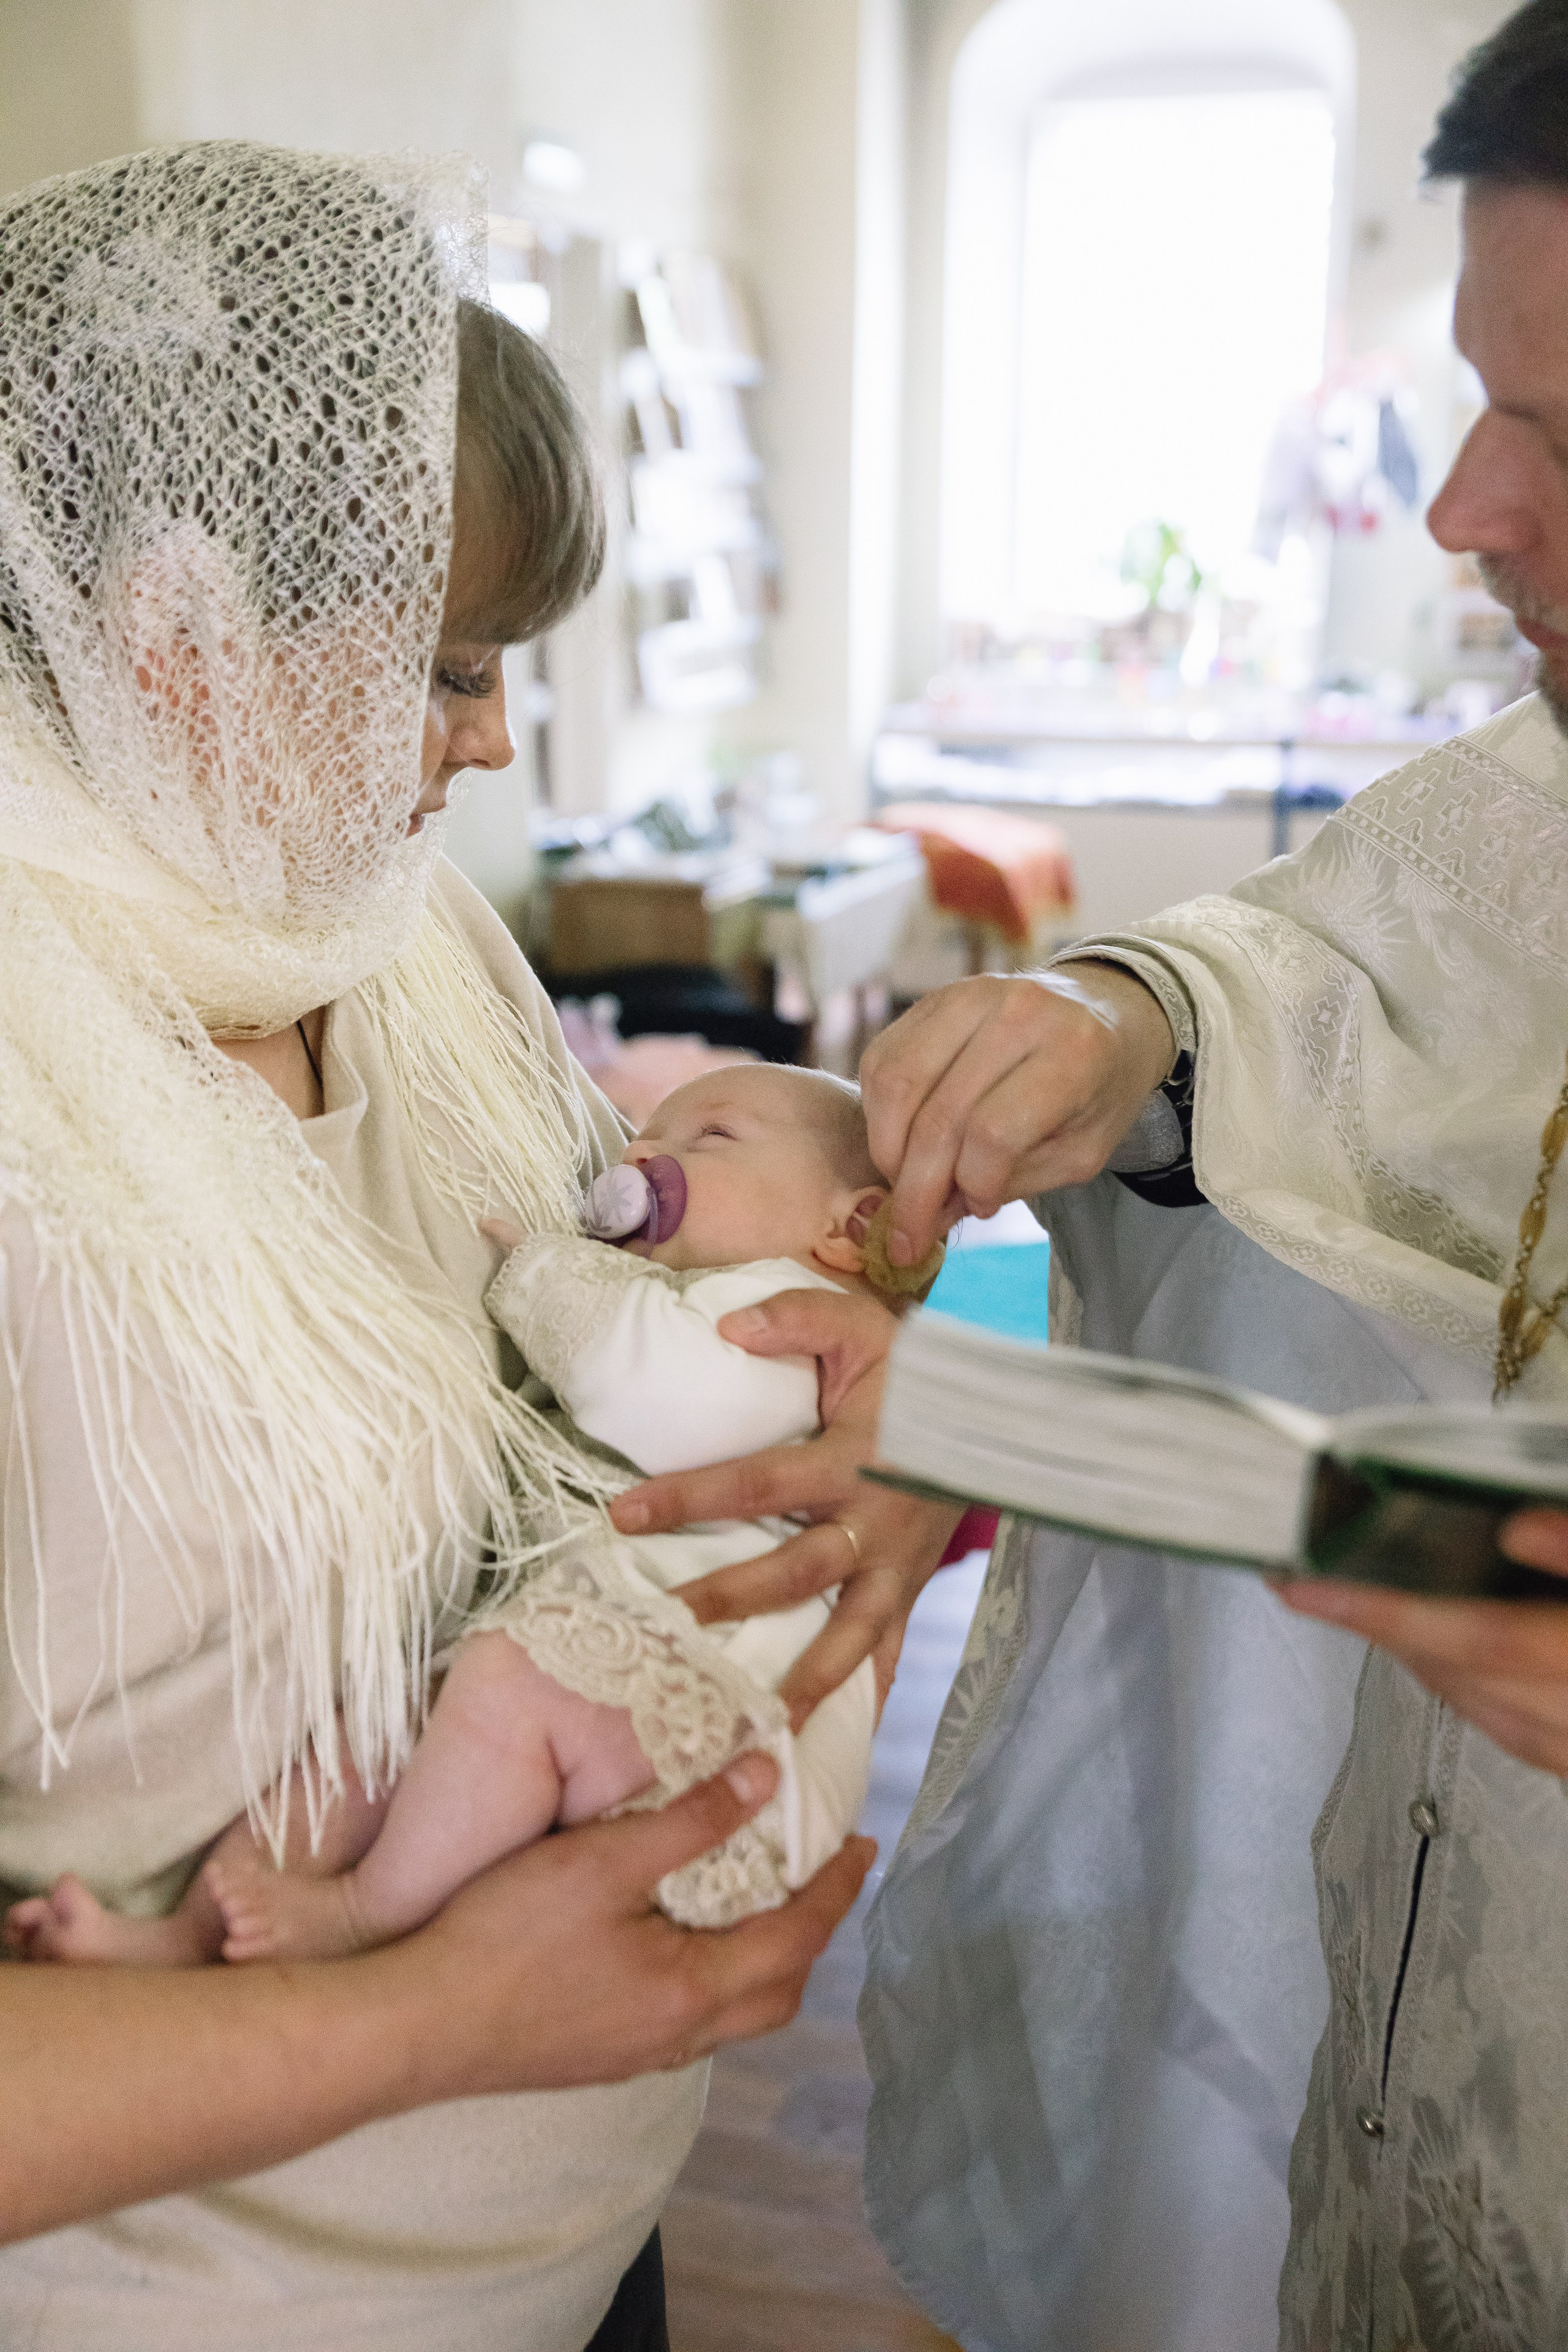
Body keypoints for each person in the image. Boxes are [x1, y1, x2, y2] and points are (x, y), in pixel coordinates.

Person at [609, 6, 1568, 2344]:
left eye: (1562, 426)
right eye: (1481, 393)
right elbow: (1416, 1511)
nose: (1458, 512)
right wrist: (1119, 1038)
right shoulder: (1534, 803)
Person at [0, 140, 963, 2352]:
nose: (497, 742)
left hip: (578, 2249)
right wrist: (432, 2016)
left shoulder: (399, 938)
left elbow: (613, 1311)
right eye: (446, 666)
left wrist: (883, 1400)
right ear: (170, 629)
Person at [10, 1066, 899, 1967]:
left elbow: (659, 1387)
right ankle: (189, 1937)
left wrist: (550, 1273)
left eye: (710, 1138)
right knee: (370, 1741)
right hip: (592, 1666)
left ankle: (368, 1912)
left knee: (501, 1687)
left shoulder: (794, 1323)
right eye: (645, 1130)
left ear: (849, 1226)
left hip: (716, 1723)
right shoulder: (691, 1297)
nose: (639, 1153)